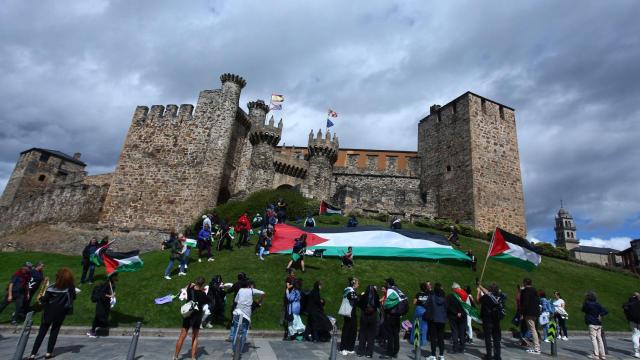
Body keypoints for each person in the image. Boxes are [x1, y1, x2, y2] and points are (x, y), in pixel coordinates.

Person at [27, 267, 76, 360]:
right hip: (61, 313)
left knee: (41, 333)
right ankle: (48, 353)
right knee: (54, 332)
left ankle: (32, 354)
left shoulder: (51, 287)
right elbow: (73, 298)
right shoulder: (70, 288)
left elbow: (44, 300)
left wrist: (40, 298)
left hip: (48, 312)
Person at [173, 277, 212, 360]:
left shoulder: (190, 288)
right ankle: (193, 357)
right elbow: (209, 300)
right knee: (195, 337)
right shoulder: (203, 294)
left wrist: (194, 285)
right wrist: (203, 290)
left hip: (188, 314)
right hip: (197, 316)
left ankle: (176, 356)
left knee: (182, 336)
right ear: (203, 284)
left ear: (195, 282)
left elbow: (189, 285)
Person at [229, 280, 266, 356]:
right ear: (250, 286)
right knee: (244, 333)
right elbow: (263, 293)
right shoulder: (252, 290)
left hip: (237, 312)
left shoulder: (240, 290)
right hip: (246, 315)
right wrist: (260, 299)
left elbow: (236, 300)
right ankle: (239, 351)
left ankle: (234, 350)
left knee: (236, 331)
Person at [477, 282, 505, 360]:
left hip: (487, 320)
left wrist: (479, 292)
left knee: (488, 338)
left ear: (490, 289)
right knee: (496, 339)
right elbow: (489, 293)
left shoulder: (486, 297)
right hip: (496, 320)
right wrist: (481, 286)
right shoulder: (500, 296)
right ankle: (497, 356)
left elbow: (478, 301)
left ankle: (488, 356)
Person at [582, 291, 608, 360]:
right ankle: (603, 355)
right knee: (599, 339)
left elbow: (583, 309)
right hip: (598, 323)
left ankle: (596, 355)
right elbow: (606, 311)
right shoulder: (598, 304)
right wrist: (600, 315)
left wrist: (585, 301)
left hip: (591, 323)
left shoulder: (587, 304)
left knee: (594, 339)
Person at [357, 284, 380, 358]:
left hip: (364, 316)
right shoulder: (376, 296)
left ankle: (360, 351)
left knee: (363, 333)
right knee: (371, 335)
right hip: (373, 316)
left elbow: (359, 304)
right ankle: (369, 353)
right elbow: (378, 305)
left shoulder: (364, 296)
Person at [382, 278, 402, 359]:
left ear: (388, 283)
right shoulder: (397, 289)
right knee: (395, 334)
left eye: (386, 282)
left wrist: (384, 306)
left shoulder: (390, 290)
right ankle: (395, 352)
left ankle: (389, 353)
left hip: (391, 316)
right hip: (397, 315)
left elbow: (387, 304)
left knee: (390, 334)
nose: (385, 283)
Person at [425, 282, 447, 360]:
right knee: (441, 338)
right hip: (442, 320)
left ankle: (433, 355)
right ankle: (441, 355)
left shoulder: (432, 297)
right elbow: (446, 308)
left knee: (433, 338)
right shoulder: (444, 299)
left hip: (433, 319)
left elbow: (426, 305)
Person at [520, 277, 540, 354]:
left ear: (525, 283)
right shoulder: (534, 290)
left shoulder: (526, 291)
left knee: (532, 329)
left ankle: (536, 348)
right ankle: (534, 347)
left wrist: (522, 313)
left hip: (529, 313)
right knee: (533, 329)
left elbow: (524, 303)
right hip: (535, 312)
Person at [339, 277, 359, 355]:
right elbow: (352, 297)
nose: (358, 284)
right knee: (347, 330)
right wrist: (360, 296)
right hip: (348, 312)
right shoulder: (349, 290)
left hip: (351, 312)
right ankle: (343, 348)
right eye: (357, 283)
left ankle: (349, 347)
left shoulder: (350, 290)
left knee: (353, 330)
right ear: (354, 283)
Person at [446, 283, 468, 354]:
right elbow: (468, 307)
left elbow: (448, 307)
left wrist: (456, 313)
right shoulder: (465, 295)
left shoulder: (450, 296)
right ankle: (462, 347)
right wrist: (460, 313)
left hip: (453, 316)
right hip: (463, 316)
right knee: (462, 332)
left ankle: (455, 348)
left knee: (455, 332)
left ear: (453, 289)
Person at [410, 281, 430, 348]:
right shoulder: (428, 295)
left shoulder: (418, 294)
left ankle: (415, 341)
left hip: (418, 309)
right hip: (425, 310)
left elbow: (414, 302)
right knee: (424, 325)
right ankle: (423, 341)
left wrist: (420, 301)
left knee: (416, 324)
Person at [622, 292, 640, 358]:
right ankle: (637, 350)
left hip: (632, 321)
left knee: (635, 335)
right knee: (637, 335)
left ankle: (637, 351)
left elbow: (625, 308)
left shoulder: (628, 304)